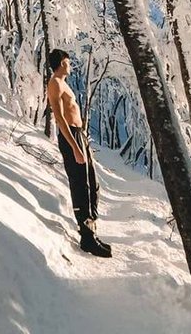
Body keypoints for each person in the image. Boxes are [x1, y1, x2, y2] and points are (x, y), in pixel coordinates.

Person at [46, 48, 112, 257]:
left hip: (79, 135)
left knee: (92, 183)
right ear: (61, 63)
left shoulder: (63, 83)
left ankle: (92, 230)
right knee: (80, 184)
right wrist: (75, 146)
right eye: (68, 61)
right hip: (71, 137)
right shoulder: (55, 83)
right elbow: (59, 118)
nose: (71, 64)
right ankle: (86, 238)